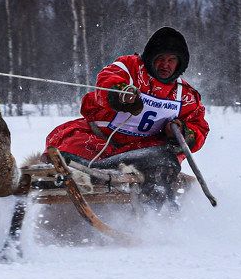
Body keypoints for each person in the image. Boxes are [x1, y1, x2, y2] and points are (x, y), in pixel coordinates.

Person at [46, 26, 209, 208]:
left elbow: (198, 126)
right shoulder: (131, 67)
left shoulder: (185, 95)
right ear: (151, 58)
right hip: (100, 139)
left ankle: (154, 216)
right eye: (160, 59)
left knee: (164, 159)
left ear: (180, 63)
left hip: (141, 151)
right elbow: (108, 79)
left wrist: (184, 132)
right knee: (67, 146)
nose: (165, 65)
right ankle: (70, 183)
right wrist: (120, 92)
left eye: (171, 60)